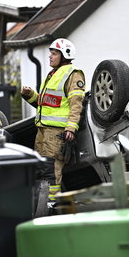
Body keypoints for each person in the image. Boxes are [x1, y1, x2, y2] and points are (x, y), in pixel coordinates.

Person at [20, 38, 85, 198]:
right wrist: (30, 95)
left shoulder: (73, 74)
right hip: (43, 131)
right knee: (40, 169)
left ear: (64, 56)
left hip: (56, 133)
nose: (50, 56)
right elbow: (44, 104)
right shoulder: (52, 74)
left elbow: (76, 104)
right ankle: (41, 203)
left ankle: (52, 204)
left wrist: (71, 128)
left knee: (51, 171)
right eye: (51, 53)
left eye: (54, 54)